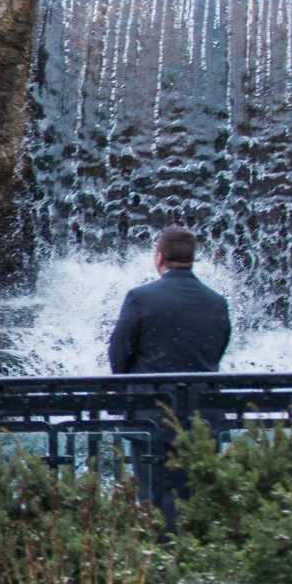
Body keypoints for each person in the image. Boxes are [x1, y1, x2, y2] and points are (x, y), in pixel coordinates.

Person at [108, 225, 232, 525]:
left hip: (153, 415)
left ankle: (159, 554)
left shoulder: (140, 298)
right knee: (196, 494)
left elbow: (118, 355)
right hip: (203, 416)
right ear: (192, 258)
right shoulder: (217, 302)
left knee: (153, 496)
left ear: (159, 257)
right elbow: (215, 352)